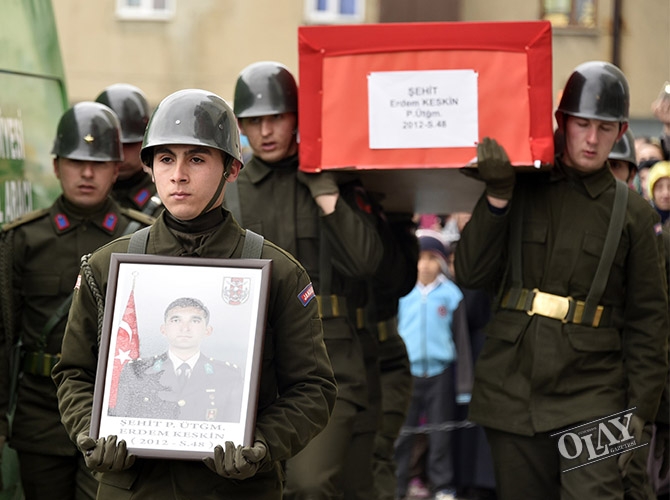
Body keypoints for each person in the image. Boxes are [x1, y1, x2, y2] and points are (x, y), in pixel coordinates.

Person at [51, 88, 337, 499]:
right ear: (150, 168)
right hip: (133, 487)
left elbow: (313, 388)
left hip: (234, 489)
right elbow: (75, 373)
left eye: (197, 159)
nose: (178, 174)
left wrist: (261, 445)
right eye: (166, 158)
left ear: (232, 169)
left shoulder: (278, 273)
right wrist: (89, 433)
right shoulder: (108, 266)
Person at [454, 60, 668, 499]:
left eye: (605, 128)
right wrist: (496, 197)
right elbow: (472, 274)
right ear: (561, 121)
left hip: (596, 393)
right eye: (582, 124)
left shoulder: (634, 214)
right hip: (512, 388)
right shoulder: (519, 184)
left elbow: (650, 322)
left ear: (622, 130)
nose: (592, 140)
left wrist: (638, 415)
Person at [227, 61, 415, 499]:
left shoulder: (334, 183)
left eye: (277, 117)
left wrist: (326, 193)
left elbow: (368, 264)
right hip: (253, 361)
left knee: (311, 485)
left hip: (331, 359)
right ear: (240, 126)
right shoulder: (231, 190)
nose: (267, 130)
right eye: (254, 121)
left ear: (297, 118)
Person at [0, 101, 155, 500]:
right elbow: (4, 335)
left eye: (99, 162)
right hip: (40, 411)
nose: (86, 173)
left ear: (116, 168)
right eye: (75, 161)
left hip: (114, 411)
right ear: (56, 166)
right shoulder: (22, 240)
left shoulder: (143, 240)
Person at [394, 229, 470, 500]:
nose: (424, 264)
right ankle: (398, 485)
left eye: (431, 257)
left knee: (441, 434)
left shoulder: (452, 295)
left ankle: (442, 486)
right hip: (409, 374)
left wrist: (463, 386)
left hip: (440, 374)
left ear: (441, 261)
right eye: (420, 257)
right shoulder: (402, 293)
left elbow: (461, 341)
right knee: (403, 434)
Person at [113, 297, 244, 422]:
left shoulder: (229, 376)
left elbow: (234, 428)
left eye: (195, 321)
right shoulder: (137, 371)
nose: (185, 328)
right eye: (176, 320)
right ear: (163, 329)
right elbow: (119, 422)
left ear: (207, 330)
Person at [95, 83, 163, 217]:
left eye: (130, 144)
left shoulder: (168, 198)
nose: (122, 155)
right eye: (114, 145)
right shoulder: (81, 198)